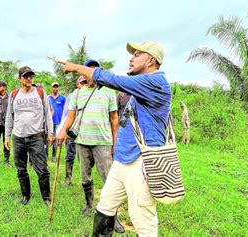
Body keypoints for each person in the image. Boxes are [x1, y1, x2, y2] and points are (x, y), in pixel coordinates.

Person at [58, 40, 170, 236]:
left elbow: (114, 80)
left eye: (137, 54)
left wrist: (76, 67)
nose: (131, 58)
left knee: (143, 219)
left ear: (151, 60)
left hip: (141, 162)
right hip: (123, 160)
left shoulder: (155, 83)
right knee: (105, 206)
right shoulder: (139, 89)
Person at [57, 59, 124, 236]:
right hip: (82, 141)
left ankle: (113, 218)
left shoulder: (109, 92)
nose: (91, 73)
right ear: (83, 73)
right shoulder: (78, 94)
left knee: (109, 181)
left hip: (103, 142)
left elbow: (114, 120)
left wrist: (115, 142)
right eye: (89, 70)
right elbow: (70, 117)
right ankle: (89, 205)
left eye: (95, 70)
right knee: (85, 177)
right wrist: (63, 131)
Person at [5, 66, 54, 206]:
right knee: (21, 169)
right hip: (18, 137)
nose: (28, 79)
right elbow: (9, 116)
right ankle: (25, 196)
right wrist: (7, 136)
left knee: (42, 169)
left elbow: (47, 114)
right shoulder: (14, 95)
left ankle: (46, 197)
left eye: (31, 76)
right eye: (25, 76)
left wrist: (50, 133)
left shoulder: (40, 92)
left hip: (36, 137)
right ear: (20, 78)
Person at [60, 76, 87, 186]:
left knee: (84, 157)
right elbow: (65, 114)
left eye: (85, 83)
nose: (83, 85)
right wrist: (63, 130)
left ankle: (85, 179)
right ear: (77, 84)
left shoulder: (90, 95)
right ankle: (68, 178)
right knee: (70, 155)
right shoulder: (72, 96)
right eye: (81, 83)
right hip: (71, 130)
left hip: (84, 130)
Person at [48, 82, 66, 162]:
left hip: (58, 122)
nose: (55, 88)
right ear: (51, 88)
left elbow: (65, 110)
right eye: (53, 87)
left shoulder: (62, 98)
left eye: (56, 87)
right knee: (48, 139)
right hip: (49, 122)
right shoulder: (48, 98)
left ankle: (54, 156)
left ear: (58, 88)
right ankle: (45, 155)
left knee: (55, 140)